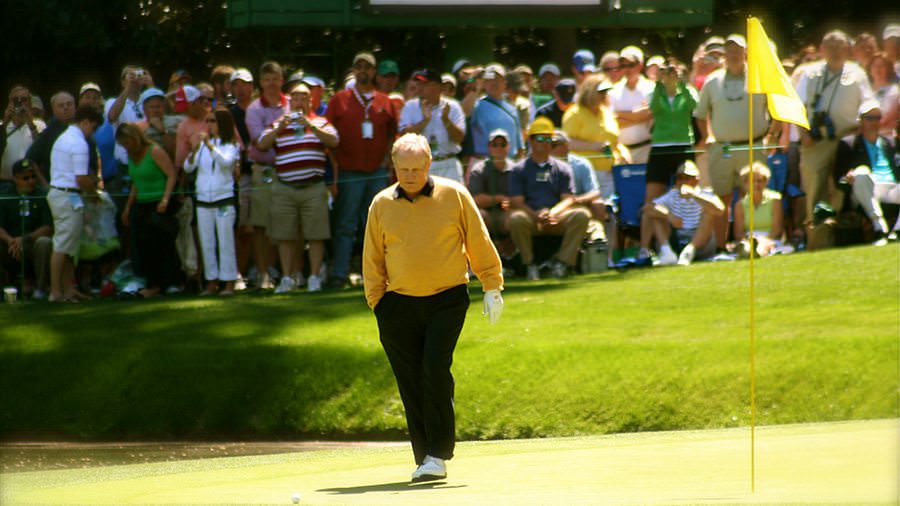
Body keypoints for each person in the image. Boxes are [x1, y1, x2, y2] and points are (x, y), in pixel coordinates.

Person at [362, 133, 504, 483]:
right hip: (397, 303)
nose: (410, 175)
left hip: (447, 297)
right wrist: (378, 303)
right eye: (403, 168)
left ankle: (438, 453)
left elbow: (477, 240)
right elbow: (372, 259)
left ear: (428, 165)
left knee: (435, 370)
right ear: (393, 166)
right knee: (410, 381)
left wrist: (492, 284)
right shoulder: (381, 204)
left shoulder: (454, 194)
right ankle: (425, 457)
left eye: (417, 168)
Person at [325, 51, 398, 289]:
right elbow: (328, 135)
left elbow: (392, 133)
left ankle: (376, 276)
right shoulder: (340, 100)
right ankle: (339, 274)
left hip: (377, 172)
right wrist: (335, 168)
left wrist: (387, 159)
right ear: (353, 70)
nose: (363, 71)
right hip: (349, 171)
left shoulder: (384, 101)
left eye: (368, 67)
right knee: (346, 225)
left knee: (376, 226)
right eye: (359, 67)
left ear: (374, 72)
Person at [258, 83, 338, 294]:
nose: (299, 102)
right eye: (295, 98)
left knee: (316, 234)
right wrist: (280, 127)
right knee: (284, 235)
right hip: (285, 186)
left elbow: (334, 140)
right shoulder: (280, 123)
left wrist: (311, 126)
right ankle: (286, 278)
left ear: (311, 101)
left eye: (304, 98)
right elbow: (262, 144)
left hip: (313, 186)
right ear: (290, 101)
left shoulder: (320, 121)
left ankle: (313, 277)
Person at [694, 34, 770, 250]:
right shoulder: (712, 81)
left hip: (753, 145)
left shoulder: (759, 78)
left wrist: (773, 134)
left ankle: (749, 244)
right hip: (723, 148)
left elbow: (775, 108)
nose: (733, 54)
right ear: (724, 54)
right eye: (729, 50)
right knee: (721, 200)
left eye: (738, 50)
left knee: (752, 196)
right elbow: (701, 113)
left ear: (745, 52)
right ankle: (721, 247)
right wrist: (707, 135)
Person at [797, 30, 873, 225]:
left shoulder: (857, 74)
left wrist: (862, 130)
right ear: (822, 49)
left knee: (842, 186)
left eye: (839, 46)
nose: (835, 51)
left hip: (846, 139)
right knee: (815, 186)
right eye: (830, 46)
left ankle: (839, 229)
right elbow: (797, 106)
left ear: (847, 49)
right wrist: (803, 133)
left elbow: (868, 103)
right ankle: (816, 231)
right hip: (815, 140)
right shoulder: (809, 73)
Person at [508, 117, 591, 280]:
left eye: (549, 139)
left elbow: (568, 198)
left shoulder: (562, 168)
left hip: (556, 217)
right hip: (531, 218)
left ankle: (562, 262)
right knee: (516, 218)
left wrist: (552, 213)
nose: (545, 143)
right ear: (531, 141)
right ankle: (529, 264)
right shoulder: (518, 170)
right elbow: (517, 202)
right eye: (540, 138)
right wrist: (536, 215)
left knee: (582, 214)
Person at [47, 105, 103, 302]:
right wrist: (95, 194)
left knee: (68, 245)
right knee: (62, 244)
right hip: (67, 195)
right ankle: (55, 291)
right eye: (93, 127)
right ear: (85, 122)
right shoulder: (79, 143)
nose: (92, 132)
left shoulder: (64, 137)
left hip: (63, 194)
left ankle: (68, 289)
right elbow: (81, 178)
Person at [184, 108, 241, 296]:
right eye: (207, 121)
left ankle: (229, 282)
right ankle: (211, 282)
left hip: (223, 199)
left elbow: (225, 163)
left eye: (213, 121)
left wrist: (209, 145)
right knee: (207, 242)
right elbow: (188, 167)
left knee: (225, 241)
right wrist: (194, 151)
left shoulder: (231, 145)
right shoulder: (202, 146)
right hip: (203, 200)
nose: (209, 125)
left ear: (222, 123)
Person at [118, 123, 179, 298]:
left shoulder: (155, 151)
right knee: (141, 244)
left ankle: (167, 282)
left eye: (127, 143)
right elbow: (135, 183)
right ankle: (150, 282)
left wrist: (165, 199)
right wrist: (128, 207)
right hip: (141, 203)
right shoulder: (131, 156)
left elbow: (171, 174)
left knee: (160, 243)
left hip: (158, 203)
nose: (126, 147)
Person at [246, 61, 291, 290]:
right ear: (261, 82)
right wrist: (279, 129)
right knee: (262, 225)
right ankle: (263, 274)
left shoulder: (292, 105)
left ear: (282, 80)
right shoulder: (254, 109)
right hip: (263, 171)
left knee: (289, 223)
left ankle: (288, 275)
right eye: (266, 80)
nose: (271, 84)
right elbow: (260, 144)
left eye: (275, 78)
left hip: (290, 170)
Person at [834, 101, 900, 244]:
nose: (874, 122)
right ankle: (879, 228)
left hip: (891, 187)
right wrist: (847, 177)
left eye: (877, 118)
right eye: (869, 118)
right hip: (865, 189)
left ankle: (896, 231)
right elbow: (838, 178)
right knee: (862, 172)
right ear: (860, 121)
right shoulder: (849, 144)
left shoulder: (890, 143)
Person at [641, 160, 724, 265]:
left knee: (709, 213)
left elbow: (720, 210)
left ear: (696, 180)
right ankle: (667, 252)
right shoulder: (672, 195)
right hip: (678, 239)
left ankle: (690, 250)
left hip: (702, 243)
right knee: (656, 214)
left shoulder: (706, 194)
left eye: (687, 178)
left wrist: (694, 195)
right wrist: (668, 215)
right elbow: (647, 208)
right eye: (680, 178)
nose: (682, 182)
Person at [645, 61, 698, 207]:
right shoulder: (655, 92)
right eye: (666, 73)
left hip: (683, 146)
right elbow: (653, 108)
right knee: (652, 199)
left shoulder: (688, 91)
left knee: (687, 194)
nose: (669, 76)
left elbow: (693, 106)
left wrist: (681, 84)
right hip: (660, 147)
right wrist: (658, 83)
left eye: (672, 73)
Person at [399, 69, 466, 183]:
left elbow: (459, 138)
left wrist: (446, 119)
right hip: (421, 165)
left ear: (439, 87)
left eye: (425, 84)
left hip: (449, 164)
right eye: (418, 84)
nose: (419, 87)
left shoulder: (453, 106)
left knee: (453, 200)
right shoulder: (410, 106)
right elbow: (404, 137)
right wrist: (425, 121)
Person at [0, 159, 52, 298]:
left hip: (32, 241)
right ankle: (5, 288)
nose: (31, 181)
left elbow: (48, 227)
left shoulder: (42, 195)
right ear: (15, 178)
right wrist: (11, 240)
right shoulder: (5, 195)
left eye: (33, 176)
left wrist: (25, 239)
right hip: (10, 245)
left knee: (45, 243)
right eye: (25, 178)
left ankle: (40, 289)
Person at [562, 75, 620, 199]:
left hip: (609, 171)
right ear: (590, 92)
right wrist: (593, 146)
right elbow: (567, 143)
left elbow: (614, 140)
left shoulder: (607, 112)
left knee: (608, 209)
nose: (605, 95)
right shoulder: (574, 113)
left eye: (606, 91)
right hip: (585, 172)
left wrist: (622, 153)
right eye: (601, 92)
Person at [228, 68, 256, 289]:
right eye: (236, 84)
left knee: (263, 227)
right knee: (243, 227)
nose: (241, 88)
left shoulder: (258, 109)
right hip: (241, 176)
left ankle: (257, 269)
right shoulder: (229, 113)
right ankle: (239, 271)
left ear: (252, 86)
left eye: (244, 84)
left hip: (262, 171)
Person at [609, 45, 655, 164]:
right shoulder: (613, 91)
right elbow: (611, 122)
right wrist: (640, 117)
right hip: (621, 152)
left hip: (646, 149)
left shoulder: (651, 88)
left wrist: (619, 114)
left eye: (631, 65)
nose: (627, 69)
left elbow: (651, 114)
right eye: (623, 66)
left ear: (640, 65)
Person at [470, 64, 525, 159]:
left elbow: (520, 146)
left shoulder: (512, 109)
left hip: (510, 164)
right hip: (485, 164)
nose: (493, 83)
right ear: (484, 83)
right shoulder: (476, 106)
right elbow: (463, 111)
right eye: (489, 80)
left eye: (497, 79)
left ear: (504, 83)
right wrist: (476, 88)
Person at [467, 129, 514, 237]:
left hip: (508, 213)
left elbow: (522, 196)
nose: (499, 148)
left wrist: (511, 202)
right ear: (489, 147)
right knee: (478, 215)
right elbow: (475, 200)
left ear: (508, 147)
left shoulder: (516, 170)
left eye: (503, 145)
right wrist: (500, 198)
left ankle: (517, 251)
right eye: (494, 145)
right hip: (487, 214)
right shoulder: (478, 170)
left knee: (518, 218)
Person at [733, 162, 784, 257]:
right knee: (746, 245)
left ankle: (756, 253)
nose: (756, 184)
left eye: (760, 181)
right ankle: (748, 251)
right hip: (749, 238)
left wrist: (762, 240)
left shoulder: (775, 200)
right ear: (745, 183)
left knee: (762, 245)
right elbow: (739, 233)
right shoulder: (739, 205)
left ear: (766, 182)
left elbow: (777, 230)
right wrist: (748, 240)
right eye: (752, 181)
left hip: (770, 239)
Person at [25, 91, 76, 185]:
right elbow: (30, 159)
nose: (66, 107)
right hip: (57, 188)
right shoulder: (48, 134)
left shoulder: (82, 126)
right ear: (53, 110)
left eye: (69, 104)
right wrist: (44, 184)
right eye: (61, 105)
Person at [2, 86, 46, 191]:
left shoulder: (39, 125)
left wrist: (30, 123)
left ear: (30, 104)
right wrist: (5, 122)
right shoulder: (1, 126)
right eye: (15, 99)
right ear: (9, 103)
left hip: (31, 181)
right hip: (5, 182)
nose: (20, 102)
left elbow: (42, 150)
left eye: (24, 99)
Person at [135, 88, 179, 160]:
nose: (155, 110)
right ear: (144, 109)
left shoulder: (175, 121)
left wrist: (162, 130)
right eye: (151, 107)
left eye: (158, 106)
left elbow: (174, 152)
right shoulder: (138, 127)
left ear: (164, 107)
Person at [867, 52, 899, 138]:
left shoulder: (893, 90)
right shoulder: (864, 88)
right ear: (869, 69)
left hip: (885, 138)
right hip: (864, 138)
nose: (878, 69)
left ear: (888, 69)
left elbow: (884, 116)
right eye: (874, 65)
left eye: (882, 66)